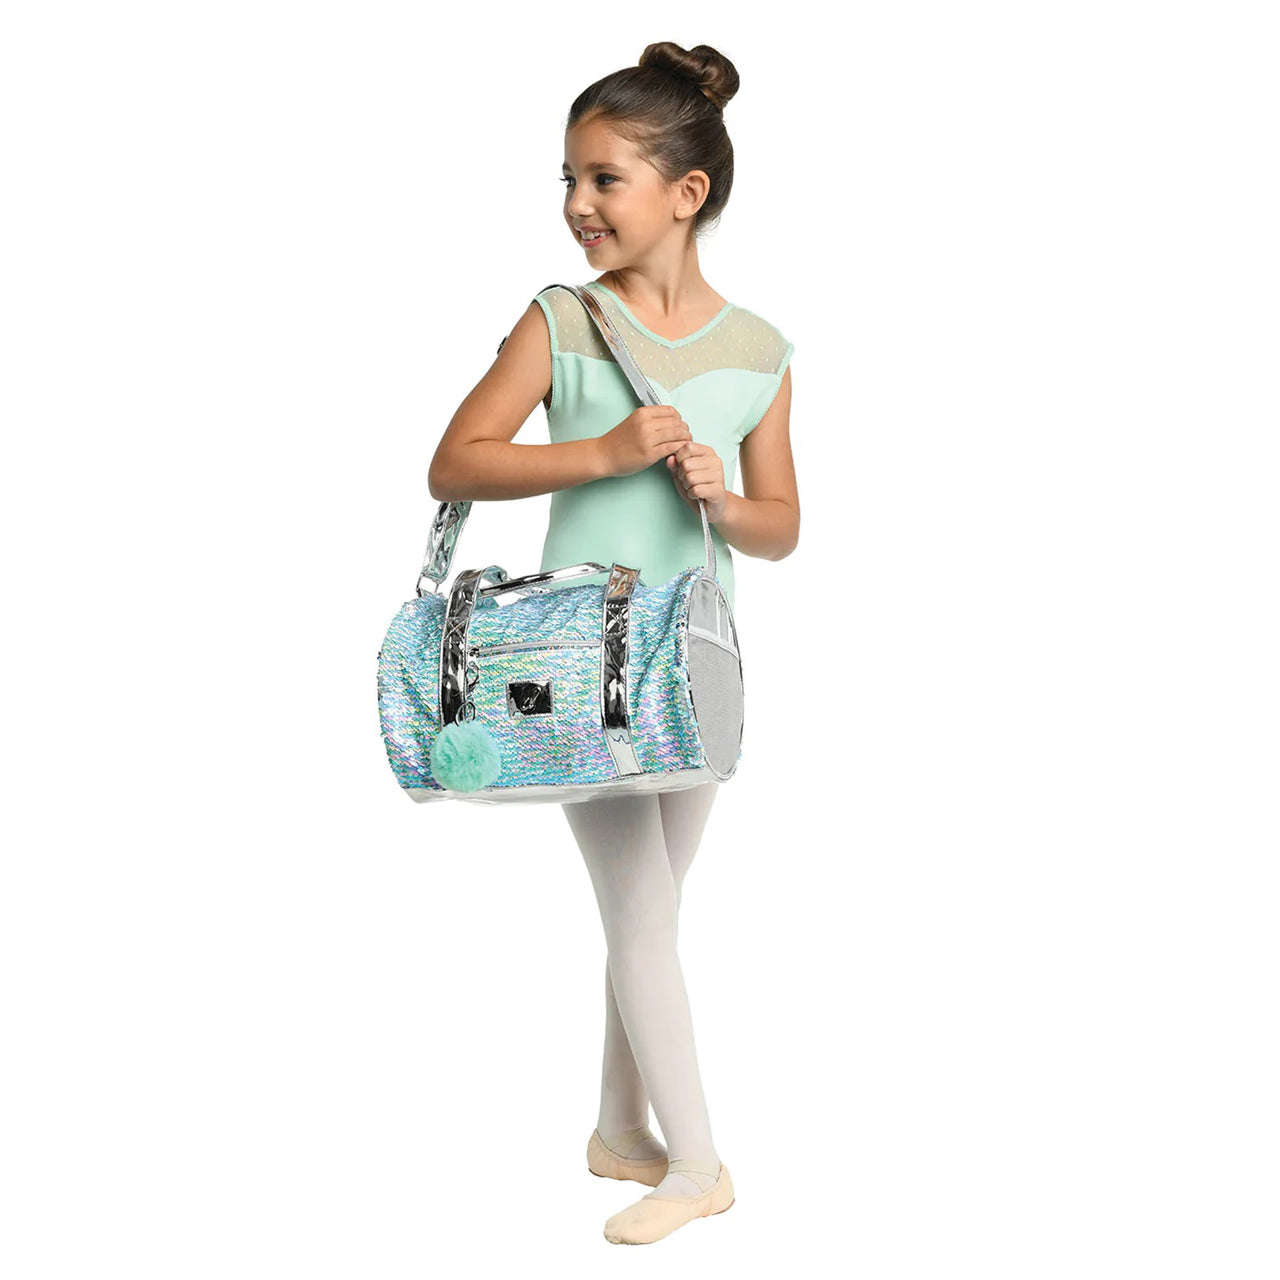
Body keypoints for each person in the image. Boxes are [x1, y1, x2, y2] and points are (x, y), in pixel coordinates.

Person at [427, 41, 799, 1245]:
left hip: (695, 660)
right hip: (575, 664)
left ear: (685, 192)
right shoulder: (562, 319)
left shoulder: (759, 352)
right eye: (569, 181)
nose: (578, 205)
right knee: (639, 908)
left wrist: (719, 497)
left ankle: (615, 1127)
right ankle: (696, 1165)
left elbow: (782, 527)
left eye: (604, 179)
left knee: (651, 912)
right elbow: (453, 461)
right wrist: (601, 452)